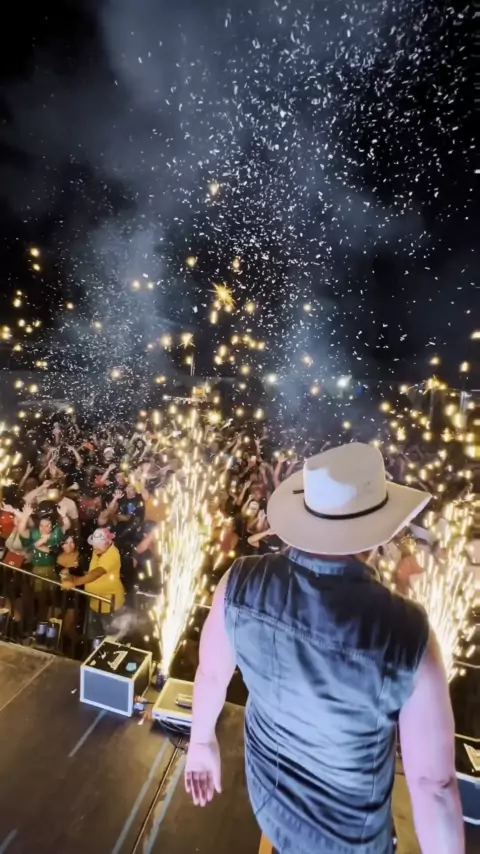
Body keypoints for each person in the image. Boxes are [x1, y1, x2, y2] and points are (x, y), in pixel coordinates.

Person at [185, 443, 464, 854]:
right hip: (348, 842)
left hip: (269, 806)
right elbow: (433, 785)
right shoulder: (406, 631)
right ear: (377, 530)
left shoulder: (240, 581)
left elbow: (211, 675)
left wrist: (200, 745)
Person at [61, 527, 125, 637]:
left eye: (99, 544)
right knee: (94, 636)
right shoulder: (98, 550)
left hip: (109, 605)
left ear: (108, 542)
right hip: (95, 602)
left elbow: (97, 573)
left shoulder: (112, 554)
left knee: (109, 638)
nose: (95, 547)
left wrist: (75, 582)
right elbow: (92, 570)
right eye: (94, 544)